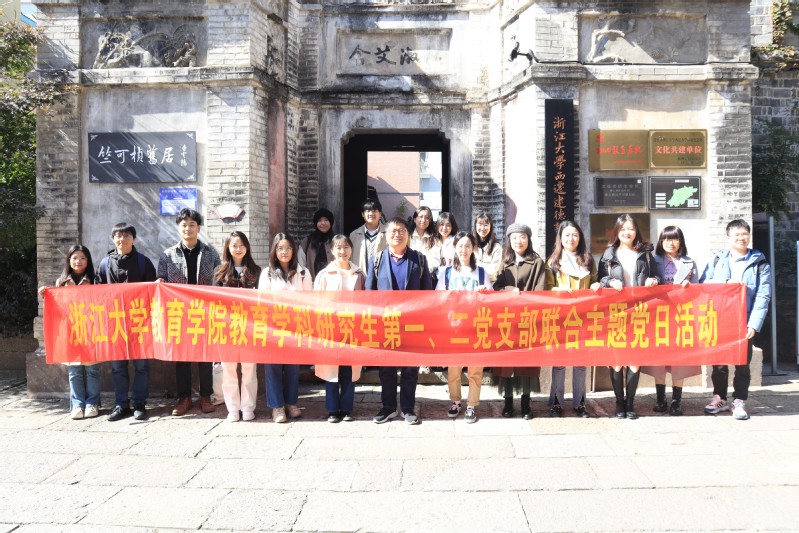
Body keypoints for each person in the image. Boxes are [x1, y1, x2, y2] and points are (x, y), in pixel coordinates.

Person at [701, 219, 771, 421]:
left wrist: (754, 324)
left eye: (745, 234)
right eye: (737, 234)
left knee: (742, 363)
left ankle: (739, 400)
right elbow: (704, 283)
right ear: (728, 238)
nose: (741, 238)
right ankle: (719, 398)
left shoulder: (760, 263)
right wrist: (726, 282)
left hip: (744, 320)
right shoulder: (718, 259)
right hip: (720, 318)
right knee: (719, 363)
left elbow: (763, 295)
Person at [366, 217, 433, 424]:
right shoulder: (376, 260)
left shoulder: (419, 259)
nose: (398, 234)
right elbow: (369, 294)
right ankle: (388, 407)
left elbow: (428, 293)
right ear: (385, 235)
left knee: (410, 368)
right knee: (386, 368)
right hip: (385, 323)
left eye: (402, 230)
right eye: (393, 231)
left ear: (407, 234)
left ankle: (407, 407)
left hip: (411, 323)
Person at [157, 208, 221, 416]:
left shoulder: (211, 253)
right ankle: (184, 398)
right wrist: (160, 283)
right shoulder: (168, 255)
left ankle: (206, 396)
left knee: (205, 355)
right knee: (182, 357)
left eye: (192, 225)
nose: (188, 228)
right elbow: (161, 280)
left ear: (198, 228)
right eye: (184, 225)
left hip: (204, 311)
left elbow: (219, 281)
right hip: (179, 312)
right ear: (179, 228)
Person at [598, 214, 660, 420]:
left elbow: (657, 275)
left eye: (631, 229)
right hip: (616, 311)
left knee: (635, 358)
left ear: (636, 232)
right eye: (623, 229)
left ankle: (630, 403)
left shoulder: (645, 254)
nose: (627, 232)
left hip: (639, 311)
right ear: (617, 232)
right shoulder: (608, 254)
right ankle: (619, 402)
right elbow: (600, 278)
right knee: (617, 359)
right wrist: (609, 282)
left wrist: (654, 280)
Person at [96, 223, 158, 422]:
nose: (122, 239)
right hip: (115, 325)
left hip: (140, 324)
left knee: (141, 367)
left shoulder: (143, 262)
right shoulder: (104, 264)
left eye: (126, 236)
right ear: (112, 239)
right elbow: (96, 293)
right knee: (118, 368)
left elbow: (153, 292)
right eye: (118, 236)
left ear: (134, 239)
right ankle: (121, 405)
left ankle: (139, 404)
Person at [641, 226, 700, 416]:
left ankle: (676, 401)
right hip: (658, 316)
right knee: (659, 359)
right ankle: (660, 399)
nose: (670, 243)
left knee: (679, 359)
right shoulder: (653, 261)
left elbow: (698, 291)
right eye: (666, 239)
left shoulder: (689, 263)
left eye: (674, 239)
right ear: (661, 241)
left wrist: (690, 287)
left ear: (680, 242)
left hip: (681, 316)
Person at [544, 221, 599, 418]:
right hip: (560, 317)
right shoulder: (553, 262)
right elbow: (545, 288)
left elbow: (595, 281)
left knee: (581, 362)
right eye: (567, 235)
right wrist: (557, 290)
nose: (571, 239)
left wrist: (596, 285)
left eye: (575, 234)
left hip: (583, 317)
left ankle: (580, 403)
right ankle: (556, 402)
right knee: (559, 361)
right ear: (560, 238)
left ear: (580, 237)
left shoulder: (588, 260)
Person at [436, 231, 492, 423]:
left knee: (475, 368)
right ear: (454, 248)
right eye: (460, 246)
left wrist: (484, 292)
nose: (464, 250)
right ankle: (455, 401)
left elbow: (492, 297)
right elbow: (437, 297)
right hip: (454, 326)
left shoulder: (481, 272)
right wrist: (448, 294)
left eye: (468, 246)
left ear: (474, 248)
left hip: (476, 325)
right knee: (454, 367)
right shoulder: (446, 272)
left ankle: (471, 405)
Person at [39, 245, 100, 420]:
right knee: (74, 371)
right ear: (69, 260)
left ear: (88, 261)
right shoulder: (61, 282)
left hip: (91, 330)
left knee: (92, 370)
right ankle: (78, 404)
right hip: (70, 331)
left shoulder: (95, 280)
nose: (78, 261)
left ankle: (92, 403)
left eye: (82, 258)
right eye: (74, 258)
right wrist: (45, 294)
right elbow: (57, 306)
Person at [492, 223, 547, 419]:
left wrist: (524, 299)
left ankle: (525, 404)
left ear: (528, 239)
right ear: (509, 241)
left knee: (526, 363)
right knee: (506, 362)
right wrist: (509, 291)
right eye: (514, 238)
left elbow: (541, 290)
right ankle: (508, 403)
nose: (519, 241)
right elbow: (496, 287)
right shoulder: (505, 262)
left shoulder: (537, 262)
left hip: (528, 318)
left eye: (523, 237)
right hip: (507, 319)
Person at [258, 233, 312, 423]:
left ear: (293, 251)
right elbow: (261, 301)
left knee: (292, 367)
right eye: (280, 248)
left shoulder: (303, 273)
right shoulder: (267, 273)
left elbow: (309, 301)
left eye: (288, 248)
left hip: (295, 327)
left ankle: (291, 403)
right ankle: (277, 406)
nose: (284, 252)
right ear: (274, 251)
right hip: (273, 327)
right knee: (272, 366)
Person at [314, 234, 366, 422]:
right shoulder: (324, 275)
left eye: (346, 247)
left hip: (352, 328)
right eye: (338, 247)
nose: (342, 251)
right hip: (330, 328)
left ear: (351, 249)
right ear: (332, 250)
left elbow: (366, 302)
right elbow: (316, 302)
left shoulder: (359, 274)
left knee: (348, 370)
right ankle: (332, 409)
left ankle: (347, 408)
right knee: (331, 371)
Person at [214, 231, 262, 422]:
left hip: (249, 327)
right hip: (227, 327)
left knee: (249, 368)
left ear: (247, 247)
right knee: (229, 369)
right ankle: (233, 408)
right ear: (228, 247)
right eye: (234, 245)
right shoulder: (220, 271)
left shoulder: (256, 271)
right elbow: (214, 300)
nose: (238, 249)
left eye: (242, 245)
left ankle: (248, 407)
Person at [298, 207, 335, 282]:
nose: (323, 223)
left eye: (326, 220)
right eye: (320, 220)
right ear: (316, 223)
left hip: (332, 284)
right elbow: (300, 264)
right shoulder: (307, 241)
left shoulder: (336, 241)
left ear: (330, 223)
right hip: (311, 284)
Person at [350, 198, 387, 273]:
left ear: (380, 214)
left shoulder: (388, 234)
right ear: (362, 214)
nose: (371, 213)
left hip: (381, 276)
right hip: (359, 276)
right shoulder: (354, 235)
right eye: (368, 211)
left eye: (374, 210)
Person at [409, 206, 440, 274]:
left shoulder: (434, 240)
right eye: (421, 216)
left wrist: (423, 273)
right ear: (414, 219)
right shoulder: (407, 237)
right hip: (409, 274)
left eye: (427, 217)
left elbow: (435, 260)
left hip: (427, 275)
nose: (423, 220)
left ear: (430, 221)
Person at [473, 211, 502, 283]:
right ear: (475, 226)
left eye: (485, 225)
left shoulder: (496, 247)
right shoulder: (471, 245)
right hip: (472, 283)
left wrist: (475, 273)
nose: (482, 228)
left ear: (490, 227)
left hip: (490, 284)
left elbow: (492, 272)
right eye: (480, 225)